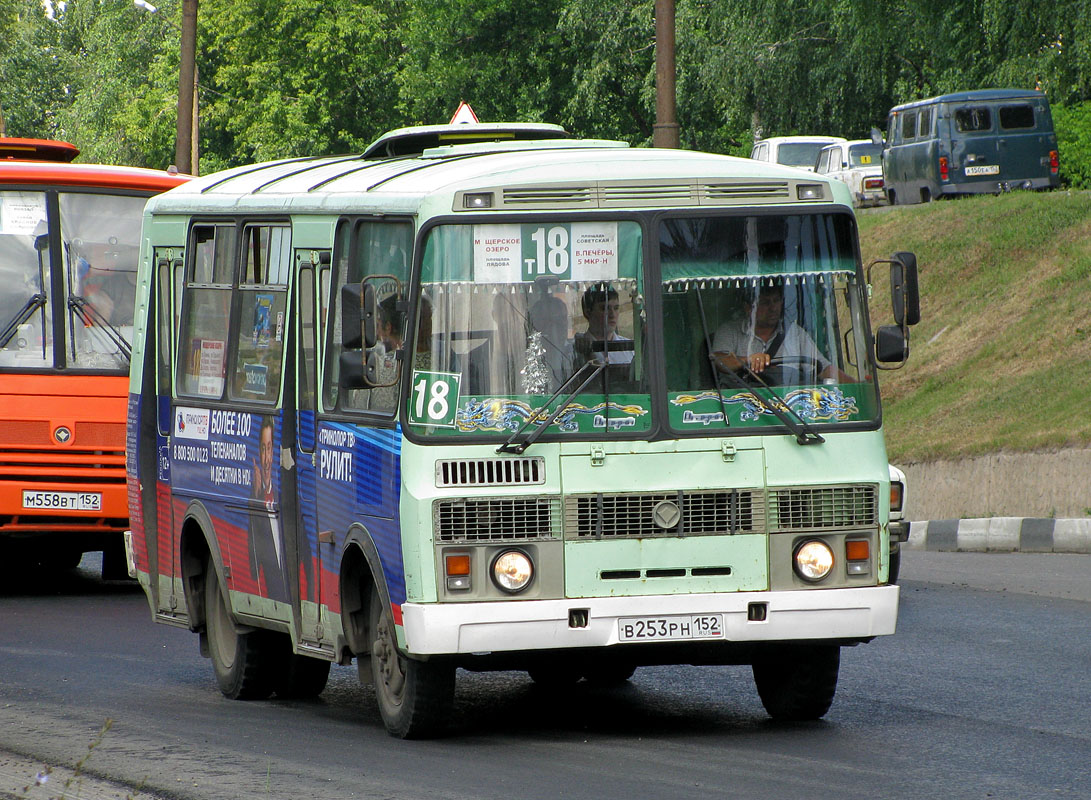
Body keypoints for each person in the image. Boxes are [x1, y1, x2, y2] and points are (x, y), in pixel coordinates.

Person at [712, 284, 852, 384]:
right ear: (749, 308)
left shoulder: (794, 333)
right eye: (765, 303)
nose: (773, 308)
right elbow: (719, 360)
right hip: (739, 406)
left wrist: (857, 384)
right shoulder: (729, 331)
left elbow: (823, 367)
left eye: (776, 301)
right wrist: (749, 360)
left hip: (789, 408)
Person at [248, 415, 289, 603]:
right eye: (263, 450)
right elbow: (253, 568)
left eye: (270, 448)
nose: (266, 459)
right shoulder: (255, 498)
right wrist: (255, 498)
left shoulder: (288, 496)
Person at [575, 284, 634, 365]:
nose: (612, 315)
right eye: (605, 308)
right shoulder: (574, 351)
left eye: (616, 308)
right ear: (588, 313)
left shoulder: (630, 349)